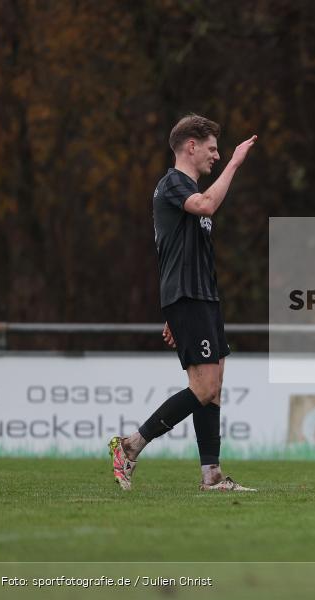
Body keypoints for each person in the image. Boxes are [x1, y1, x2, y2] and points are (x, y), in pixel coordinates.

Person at [108, 114, 258, 492]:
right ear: (191, 146)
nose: (218, 156)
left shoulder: (183, 188)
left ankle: (212, 476)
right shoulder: (175, 183)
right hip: (188, 297)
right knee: (204, 387)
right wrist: (237, 163)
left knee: (214, 386)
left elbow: (179, 250)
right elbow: (207, 205)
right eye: (212, 148)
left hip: (201, 298)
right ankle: (130, 446)